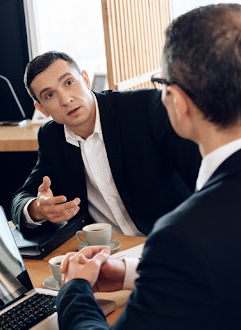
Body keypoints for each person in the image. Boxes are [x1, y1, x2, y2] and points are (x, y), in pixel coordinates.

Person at [58, 3, 241, 330]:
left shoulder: (186, 235)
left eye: (162, 85)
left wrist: (74, 288)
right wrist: (133, 273)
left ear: (179, 101)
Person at [11, 51, 201, 238]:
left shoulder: (145, 107)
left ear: (85, 80)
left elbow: (203, 174)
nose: (66, 100)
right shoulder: (51, 137)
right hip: (106, 249)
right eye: (49, 95)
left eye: (69, 83)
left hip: (172, 239)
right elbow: (21, 198)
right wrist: (36, 209)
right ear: (41, 109)